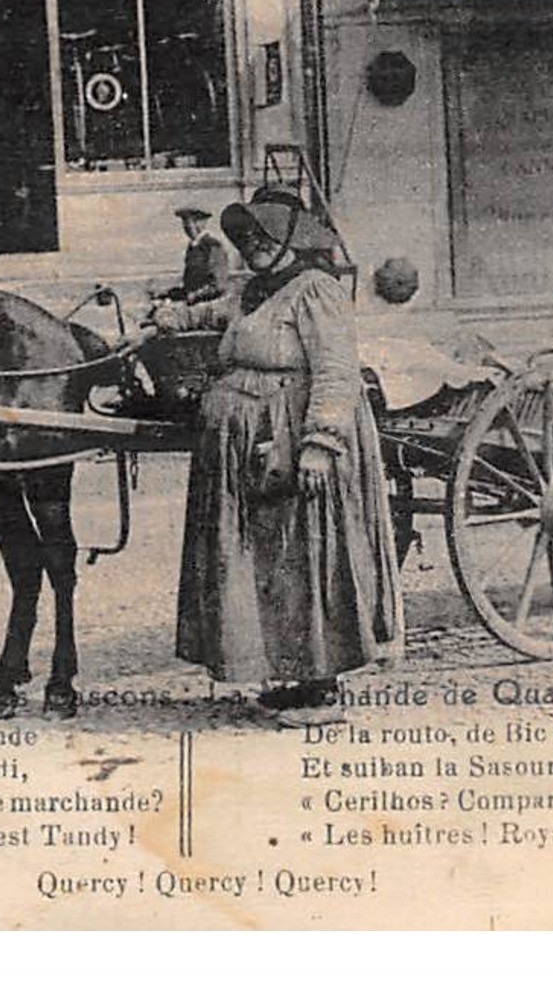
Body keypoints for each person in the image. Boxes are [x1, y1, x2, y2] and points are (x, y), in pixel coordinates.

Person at [149, 187, 402, 722]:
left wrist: (320, 445)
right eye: (246, 238)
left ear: (288, 237)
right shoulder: (253, 291)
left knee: (302, 556)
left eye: (263, 236)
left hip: (290, 440)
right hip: (245, 443)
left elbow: (336, 370)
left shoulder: (317, 291)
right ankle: (293, 675)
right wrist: (174, 317)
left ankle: (325, 687)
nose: (253, 245)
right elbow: (218, 315)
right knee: (263, 563)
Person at [168, 206, 229, 302]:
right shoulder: (193, 247)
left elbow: (218, 285)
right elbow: (191, 283)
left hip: (209, 305)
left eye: (191, 222)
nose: (187, 226)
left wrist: (195, 295)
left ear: (202, 223)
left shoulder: (213, 246)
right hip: (194, 303)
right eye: (184, 222)